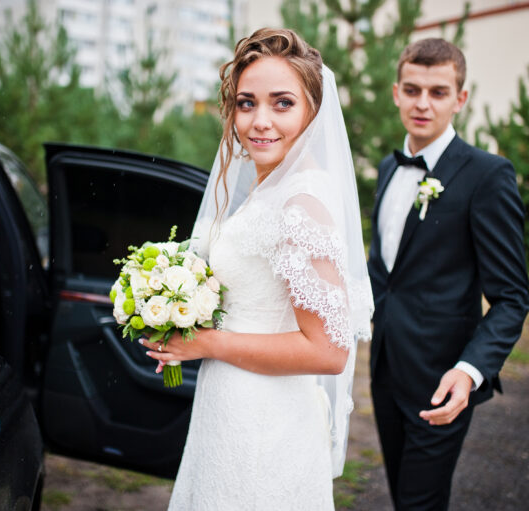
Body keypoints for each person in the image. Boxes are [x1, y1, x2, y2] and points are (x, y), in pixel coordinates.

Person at [140, 28, 373, 509]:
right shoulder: (267, 189)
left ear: (313, 110)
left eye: (282, 103)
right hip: (229, 404)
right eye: (247, 103)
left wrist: (206, 342)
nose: (260, 121)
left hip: (265, 423)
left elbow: (329, 353)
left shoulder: (301, 202)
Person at [367, 37, 529, 510]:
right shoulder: (386, 169)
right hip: (385, 367)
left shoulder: (488, 175)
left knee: (421, 503)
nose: (422, 103)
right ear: (396, 92)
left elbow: (512, 297)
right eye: (413, 89)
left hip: (443, 379)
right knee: (404, 496)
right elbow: (388, 274)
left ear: (460, 99)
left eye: (438, 92)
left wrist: (470, 371)